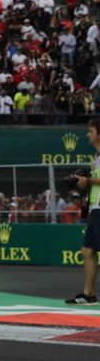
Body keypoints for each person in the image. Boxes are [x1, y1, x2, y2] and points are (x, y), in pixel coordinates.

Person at [65, 119, 100, 305]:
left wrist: (88, 180)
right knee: (87, 250)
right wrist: (83, 181)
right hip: (96, 209)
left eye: (91, 131)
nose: (88, 134)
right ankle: (89, 294)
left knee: (89, 250)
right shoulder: (96, 158)